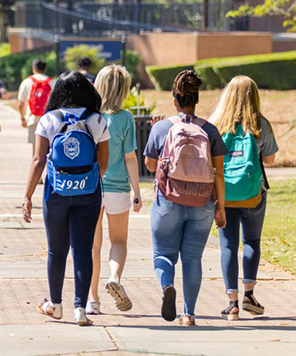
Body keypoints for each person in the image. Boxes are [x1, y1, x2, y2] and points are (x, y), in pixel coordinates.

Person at [21, 72, 110, 326]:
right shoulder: (96, 120)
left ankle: (56, 304)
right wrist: (84, 179)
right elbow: (103, 164)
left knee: (56, 251)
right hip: (88, 191)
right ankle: (80, 308)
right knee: (82, 249)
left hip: (55, 192)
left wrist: (27, 197)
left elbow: (38, 160)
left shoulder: (48, 120)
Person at [142, 70, 227, 326]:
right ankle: (188, 314)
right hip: (202, 202)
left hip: (168, 199)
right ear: (197, 99)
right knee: (192, 258)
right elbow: (219, 173)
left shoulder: (162, 127)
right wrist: (220, 207)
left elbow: (148, 165)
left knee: (163, 254)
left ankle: (167, 284)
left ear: (174, 100)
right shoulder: (210, 130)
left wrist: (156, 133)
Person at [208, 75, 277, 320]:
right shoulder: (260, 124)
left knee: (227, 245)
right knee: (251, 242)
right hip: (253, 194)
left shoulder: (216, 124)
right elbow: (269, 159)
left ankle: (232, 302)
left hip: (223, 195)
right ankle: (249, 295)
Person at [85, 65, 142, 315]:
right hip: (118, 187)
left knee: (92, 246)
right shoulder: (126, 118)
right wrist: (137, 192)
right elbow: (130, 158)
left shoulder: (89, 117)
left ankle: (92, 299)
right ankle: (115, 278)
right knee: (118, 241)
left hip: (91, 186)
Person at [18, 59, 54, 155]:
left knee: (36, 150)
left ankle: (36, 168)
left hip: (32, 118)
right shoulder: (52, 82)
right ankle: (48, 169)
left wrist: (22, 119)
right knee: (49, 148)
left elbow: (21, 103)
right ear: (45, 69)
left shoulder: (27, 82)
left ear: (33, 68)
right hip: (49, 119)